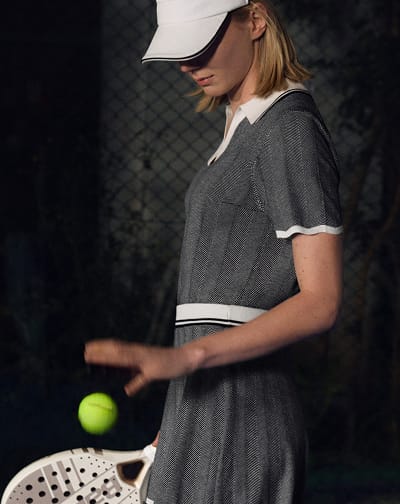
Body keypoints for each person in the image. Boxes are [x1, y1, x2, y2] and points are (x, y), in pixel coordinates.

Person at [85, 1, 343, 502]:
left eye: (200, 45)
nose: (187, 65)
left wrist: (188, 358)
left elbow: (321, 301)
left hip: (244, 417)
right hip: (206, 407)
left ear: (256, 20)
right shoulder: (244, 122)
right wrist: (181, 417)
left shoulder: (288, 129)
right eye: (181, 52)